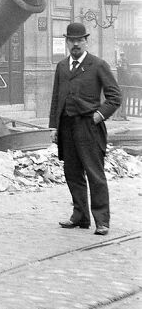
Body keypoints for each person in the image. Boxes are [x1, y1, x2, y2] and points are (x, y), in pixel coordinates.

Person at [49, 22, 122, 235]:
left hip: (89, 126)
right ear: (66, 42)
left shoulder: (98, 65)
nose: (75, 44)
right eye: (71, 40)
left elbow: (115, 97)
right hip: (66, 127)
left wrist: (99, 116)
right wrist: (53, 126)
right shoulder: (62, 66)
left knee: (94, 173)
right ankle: (80, 216)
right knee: (72, 173)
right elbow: (56, 98)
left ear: (86, 41)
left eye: (79, 40)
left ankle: (102, 220)